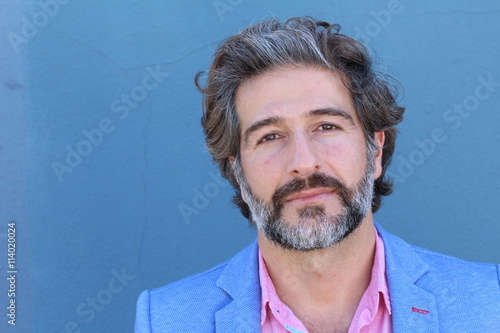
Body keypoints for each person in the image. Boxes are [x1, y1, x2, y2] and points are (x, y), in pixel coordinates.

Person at [135, 17, 499, 332]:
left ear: (374, 153)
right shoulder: (167, 320)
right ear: (239, 174)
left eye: (326, 126)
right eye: (270, 136)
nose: (304, 162)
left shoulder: (487, 302)